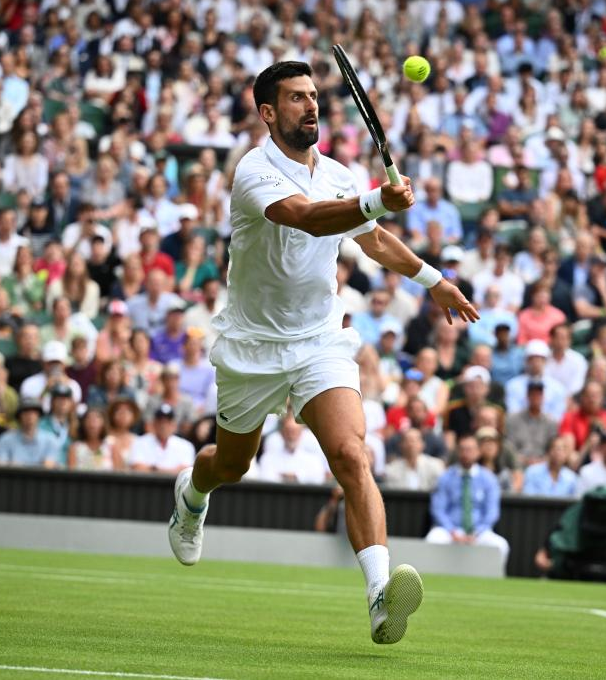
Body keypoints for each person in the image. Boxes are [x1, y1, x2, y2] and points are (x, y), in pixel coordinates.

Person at [167, 61, 475, 645]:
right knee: (231, 466)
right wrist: (376, 200)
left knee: (352, 455)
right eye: (295, 98)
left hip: (318, 342)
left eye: (313, 96)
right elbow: (306, 220)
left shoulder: (337, 174)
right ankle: (192, 494)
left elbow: (372, 239)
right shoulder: (253, 171)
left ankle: (380, 596)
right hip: (253, 346)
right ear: (267, 112)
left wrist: (433, 279)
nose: (310, 105)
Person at [425, 435, 510, 568]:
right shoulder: (445, 477)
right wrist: (452, 531)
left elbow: (492, 512)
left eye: (469, 450)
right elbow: (438, 509)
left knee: (501, 545)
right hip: (449, 531)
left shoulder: (489, 479)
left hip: (479, 532)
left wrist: (476, 533)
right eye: (462, 450)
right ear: (458, 452)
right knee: (432, 539)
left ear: (478, 452)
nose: (466, 454)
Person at [256, 413, 328, 485]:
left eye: (294, 431)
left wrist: (295, 476)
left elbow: (318, 478)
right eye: (288, 431)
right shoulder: (268, 458)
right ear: (281, 433)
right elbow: (264, 477)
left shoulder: (313, 460)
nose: (291, 436)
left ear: (301, 433)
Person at [130, 403, 195, 474]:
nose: (163, 426)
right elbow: (137, 467)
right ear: (153, 424)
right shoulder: (140, 442)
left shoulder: (186, 445)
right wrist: (172, 470)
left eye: (167, 422)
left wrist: (154, 469)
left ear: (174, 425)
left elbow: (186, 471)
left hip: (174, 481)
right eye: (160, 422)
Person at [0, 398, 59, 468]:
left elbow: (49, 466)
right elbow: (0, 466)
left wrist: (15, 465)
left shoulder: (50, 439)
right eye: (26, 412)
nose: (30, 416)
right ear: (19, 416)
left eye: (34, 412)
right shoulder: (6, 439)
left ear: (39, 416)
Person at [383, 427, 445, 492]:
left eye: (415, 440)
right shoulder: (391, 469)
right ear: (401, 445)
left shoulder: (435, 466)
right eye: (408, 440)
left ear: (423, 444)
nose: (411, 444)